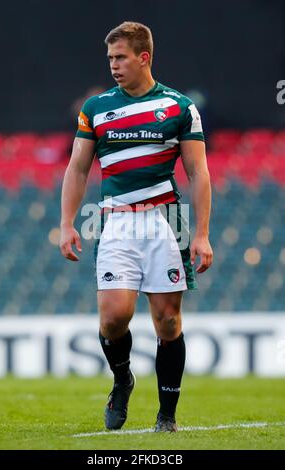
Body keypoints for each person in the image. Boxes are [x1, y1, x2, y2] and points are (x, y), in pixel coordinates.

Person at [59, 21, 213, 432]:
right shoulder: (95, 108)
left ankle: (166, 416)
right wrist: (67, 222)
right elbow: (77, 167)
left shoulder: (179, 107)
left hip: (167, 220)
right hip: (116, 219)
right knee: (113, 319)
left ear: (144, 57)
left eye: (120, 57)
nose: (113, 65)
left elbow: (198, 172)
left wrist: (200, 233)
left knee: (167, 322)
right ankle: (122, 378)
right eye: (110, 58)